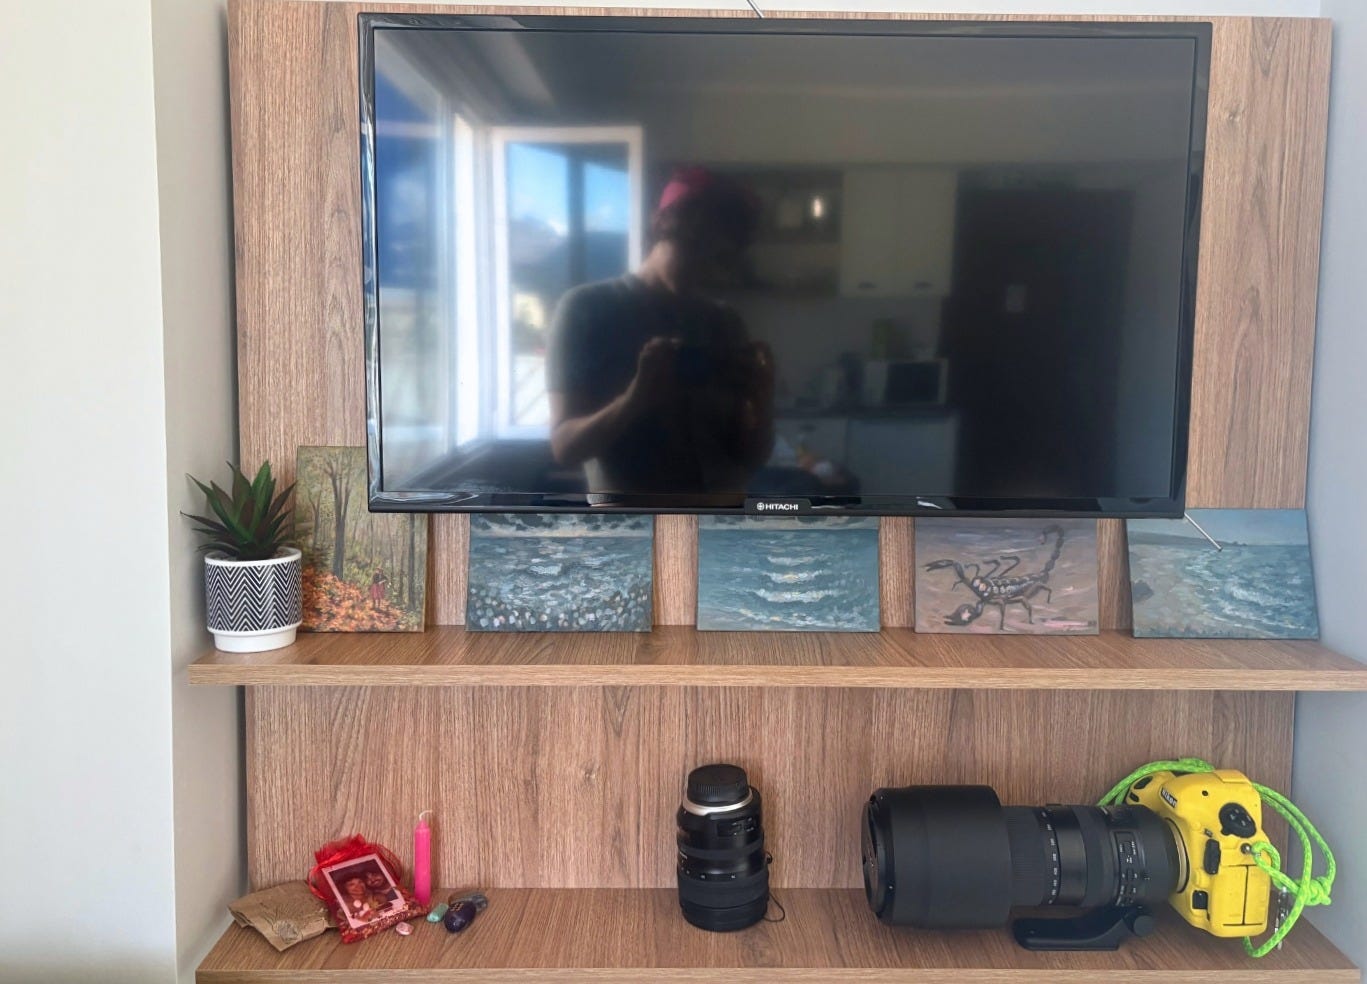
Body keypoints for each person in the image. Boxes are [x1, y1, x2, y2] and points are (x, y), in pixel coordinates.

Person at [547, 167, 774, 499]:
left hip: (722, 519)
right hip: (633, 528)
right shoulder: (587, 309)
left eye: (724, 249)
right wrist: (635, 400)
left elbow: (748, 457)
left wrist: (763, 402)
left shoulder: (725, 322)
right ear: (659, 225)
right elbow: (565, 448)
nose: (708, 259)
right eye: (696, 240)